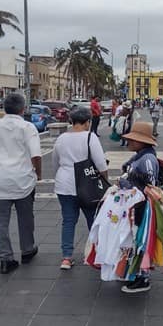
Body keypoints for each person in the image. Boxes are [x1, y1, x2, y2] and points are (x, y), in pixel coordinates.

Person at [0, 93, 42, 274]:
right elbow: (36, 155)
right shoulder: (28, 127)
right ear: (22, 109)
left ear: (4, 108)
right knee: (26, 218)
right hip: (23, 181)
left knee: (0, 223)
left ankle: (5, 259)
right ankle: (27, 250)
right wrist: (39, 174)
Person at [51, 106, 108, 269]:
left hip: (64, 185)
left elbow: (55, 162)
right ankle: (96, 255)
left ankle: (66, 258)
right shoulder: (90, 137)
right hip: (87, 186)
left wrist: (60, 177)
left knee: (68, 220)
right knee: (93, 220)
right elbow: (101, 164)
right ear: (88, 122)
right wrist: (105, 182)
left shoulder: (61, 138)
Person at [119, 121, 159, 293]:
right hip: (135, 205)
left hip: (142, 207)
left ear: (144, 142)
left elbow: (151, 185)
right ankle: (136, 274)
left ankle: (143, 278)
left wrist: (127, 184)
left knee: (141, 241)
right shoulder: (139, 156)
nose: (130, 142)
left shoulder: (147, 159)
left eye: (134, 140)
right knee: (135, 240)